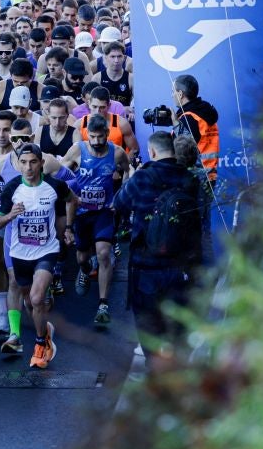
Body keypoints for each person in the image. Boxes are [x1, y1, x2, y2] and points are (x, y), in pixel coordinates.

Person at [113, 131, 205, 371]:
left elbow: (119, 204)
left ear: (152, 151)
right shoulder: (190, 178)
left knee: (149, 329)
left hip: (146, 266)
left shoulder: (143, 177)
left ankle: (156, 374)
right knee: (178, 329)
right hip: (181, 266)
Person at [0, 144, 75, 369]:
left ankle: (39, 345)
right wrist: (10, 215)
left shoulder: (54, 185)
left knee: (37, 298)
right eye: (23, 163)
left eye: (33, 162)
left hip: (46, 250)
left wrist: (68, 227)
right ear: (18, 164)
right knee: (29, 301)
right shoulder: (12, 188)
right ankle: (45, 332)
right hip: (20, 253)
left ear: (41, 163)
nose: (28, 167)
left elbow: (72, 200)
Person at [62, 114, 129, 324]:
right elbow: (61, 171)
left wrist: (119, 197)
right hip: (81, 213)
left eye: (100, 137)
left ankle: (103, 305)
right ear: (87, 135)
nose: (96, 141)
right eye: (92, 136)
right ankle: (84, 270)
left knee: (103, 254)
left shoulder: (117, 152)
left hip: (103, 212)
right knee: (82, 258)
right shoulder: (77, 150)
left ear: (107, 134)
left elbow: (128, 171)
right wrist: (71, 193)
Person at [172, 74, 220, 183]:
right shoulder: (205, 113)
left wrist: (175, 125)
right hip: (210, 175)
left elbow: (182, 149)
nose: (172, 95)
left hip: (194, 178)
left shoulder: (189, 118)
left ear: (180, 94)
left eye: (173, 91)